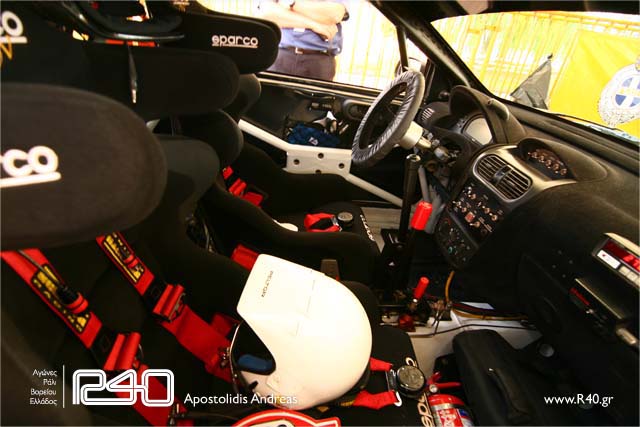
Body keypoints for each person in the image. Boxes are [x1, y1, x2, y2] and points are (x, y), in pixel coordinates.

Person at [260, 0, 348, 81]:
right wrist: (315, 25)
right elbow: (267, 13)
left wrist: (291, 3)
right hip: (280, 55)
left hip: (319, 60)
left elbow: (334, 14)